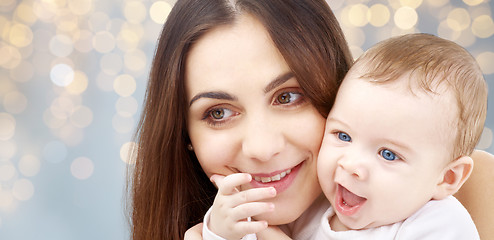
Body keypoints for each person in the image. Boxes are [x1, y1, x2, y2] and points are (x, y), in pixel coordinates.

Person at [128, 0, 494, 239]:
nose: (262, 148)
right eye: (218, 113)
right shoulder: (322, 208)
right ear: (183, 134)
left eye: (288, 96)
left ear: (332, 89)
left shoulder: (447, 210)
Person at [313, 33, 485, 239]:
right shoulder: (313, 208)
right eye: (343, 136)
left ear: (447, 177)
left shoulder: (440, 223)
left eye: (388, 154)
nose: (350, 165)